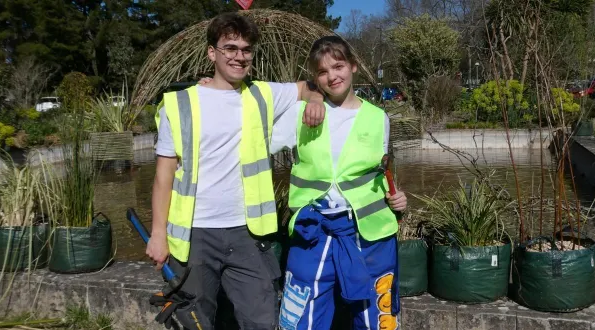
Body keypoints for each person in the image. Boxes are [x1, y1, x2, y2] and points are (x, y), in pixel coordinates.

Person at [145, 12, 326, 330]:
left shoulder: (263, 94)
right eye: (230, 48)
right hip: (194, 236)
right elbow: (163, 177)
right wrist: (158, 234)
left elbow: (309, 86)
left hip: (248, 233)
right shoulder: (179, 104)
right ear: (212, 53)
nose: (239, 56)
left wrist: (317, 100)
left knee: (261, 320)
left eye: (245, 49)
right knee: (194, 321)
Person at [270, 36, 408, 330]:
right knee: (300, 319)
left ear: (353, 66)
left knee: (377, 319)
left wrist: (397, 198)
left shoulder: (378, 118)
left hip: (369, 235)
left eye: (338, 66)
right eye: (322, 71)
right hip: (312, 232)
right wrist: (223, 91)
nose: (332, 76)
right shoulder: (298, 114)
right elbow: (253, 134)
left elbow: (378, 173)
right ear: (315, 78)